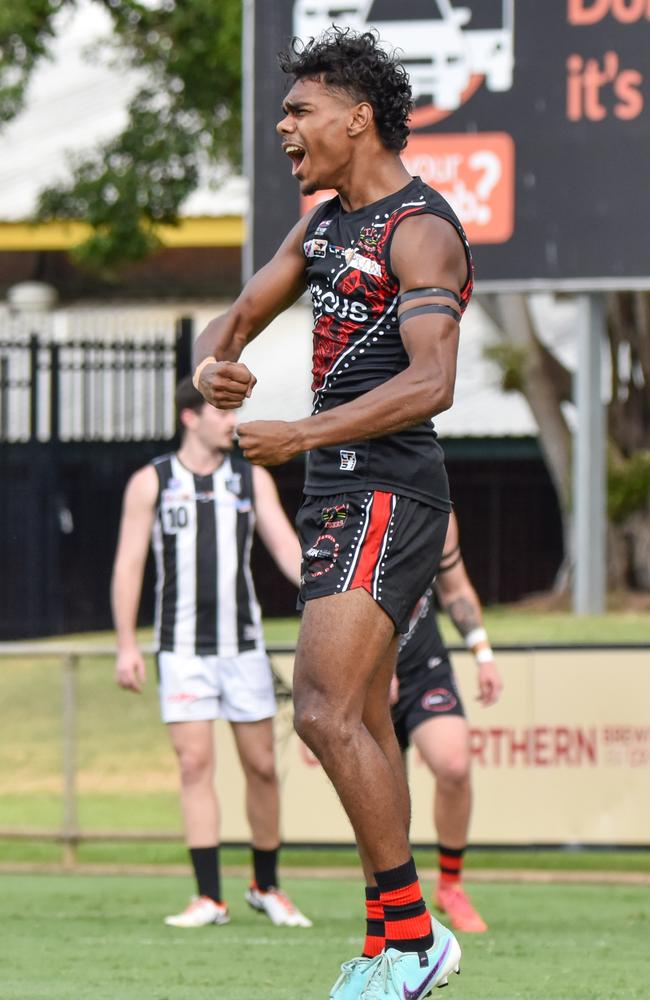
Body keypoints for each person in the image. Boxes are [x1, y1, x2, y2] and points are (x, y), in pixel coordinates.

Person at [192, 28, 473, 999]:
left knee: (316, 707)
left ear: (356, 117)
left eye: (298, 110)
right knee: (356, 716)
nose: (283, 128)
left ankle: (414, 936)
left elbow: (432, 382)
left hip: (390, 487)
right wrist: (210, 361)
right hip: (335, 491)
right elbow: (231, 317)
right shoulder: (318, 227)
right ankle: (387, 943)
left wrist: (301, 434)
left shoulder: (421, 227)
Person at [111, 376, 311, 930]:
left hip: (242, 647)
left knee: (263, 766)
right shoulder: (151, 482)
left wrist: (325, 599)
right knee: (194, 764)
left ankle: (266, 886)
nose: (233, 420)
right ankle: (208, 898)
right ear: (189, 417)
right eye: (222, 410)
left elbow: (285, 548)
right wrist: (127, 644)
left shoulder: (251, 478)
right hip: (181, 650)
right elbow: (129, 565)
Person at [392, 510, 503, 934]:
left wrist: (484, 654)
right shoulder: (353, 504)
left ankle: (451, 885)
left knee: (454, 765)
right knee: (385, 794)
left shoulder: (436, 510)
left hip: (424, 667)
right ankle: (393, 897)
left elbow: (455, 590)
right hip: (366, 668)